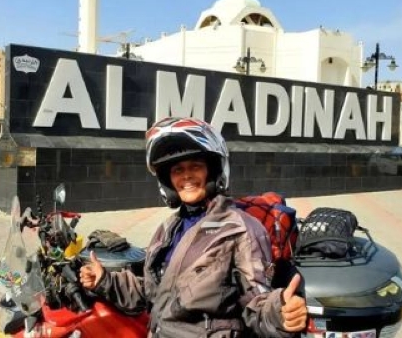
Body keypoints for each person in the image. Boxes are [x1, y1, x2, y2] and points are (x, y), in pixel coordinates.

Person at [78, 117, 309, 337]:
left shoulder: (240, 228)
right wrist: (105, 280)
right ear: (168, 181)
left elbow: (256, 301)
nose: (186, 176)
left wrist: (281, 313)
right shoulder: (168, 229)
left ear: (213, 170)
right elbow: (154, 293)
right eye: (177, 170)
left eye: (195, 166)